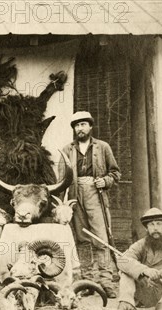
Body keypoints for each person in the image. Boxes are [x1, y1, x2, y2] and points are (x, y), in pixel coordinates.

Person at [61, 111, 121, 298]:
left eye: (83, 124)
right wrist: (63, 204)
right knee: (82, 240)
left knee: (101, 238)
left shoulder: (102, 147)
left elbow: (115, 173)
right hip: (75, 197)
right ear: (74, 129)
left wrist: (106, 181)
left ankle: (106, 282)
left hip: (96, 195)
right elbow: (62, 179)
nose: (80, 128)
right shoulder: (67, 150)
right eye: (77, 125)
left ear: (90, 127)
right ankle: (87, 282)